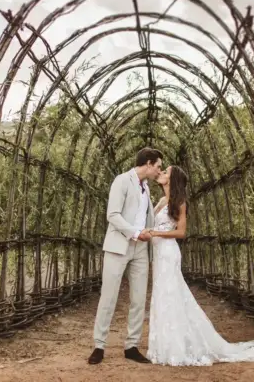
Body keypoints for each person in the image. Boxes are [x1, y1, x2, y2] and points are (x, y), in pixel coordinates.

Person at [146, 165, 254, 366]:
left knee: (170, 295)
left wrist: (156, 233)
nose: (161, 173)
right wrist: (147, 232)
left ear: (173, 179)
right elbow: (150, 226)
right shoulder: (161, 201)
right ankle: (164, 345)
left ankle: (176, 348)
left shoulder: (179, 202)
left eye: (166, 172)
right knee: (161, 295)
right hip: (158, 253)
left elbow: (181, 233)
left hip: (169, 253)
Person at [88, 147, 163, 365]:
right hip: (118, 246)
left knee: (139, 299)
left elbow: (147, 216)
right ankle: (99, 346)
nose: (158, 171)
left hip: (140, 249)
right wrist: (135, 233)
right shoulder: (122, 181)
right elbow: (112, 214)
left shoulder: (146, 188)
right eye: (157, 166)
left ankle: (132, 346)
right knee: (108, 297)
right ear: (148, 163)